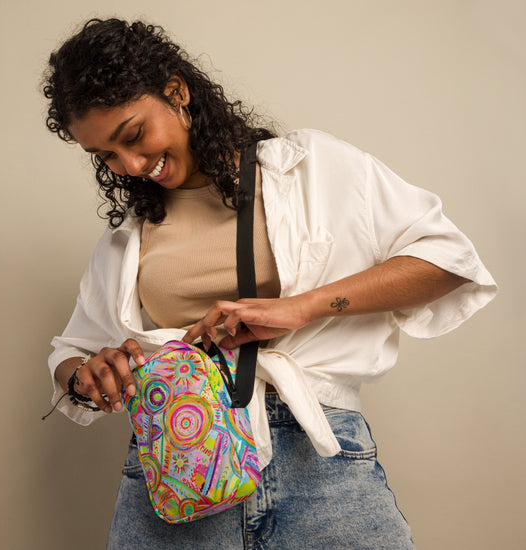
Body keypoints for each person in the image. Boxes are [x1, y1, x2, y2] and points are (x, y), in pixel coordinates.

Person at [43, 18, 497, 550]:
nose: (132, 165)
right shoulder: (128, 237)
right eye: (107, 156)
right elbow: (70, 353)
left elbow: (448, 261)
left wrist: (303, 307)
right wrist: (88, 374)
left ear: (177, 91)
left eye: (134, 135)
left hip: (317, 460)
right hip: (179, 466)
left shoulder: (307, 169)